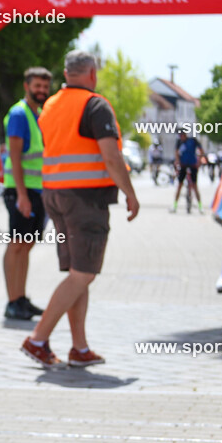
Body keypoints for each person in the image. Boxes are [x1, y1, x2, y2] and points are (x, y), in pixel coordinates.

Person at [21, 50, 139, 368]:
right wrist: (130, 192)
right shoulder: (95, 104)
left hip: (54, 195)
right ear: (92, 73)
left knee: (77, 274)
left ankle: (79, 348)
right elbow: (111, 157)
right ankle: (37, 340)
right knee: (83, 273)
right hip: (86, 199)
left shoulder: (51, 105)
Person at [1, 67, 52, 321]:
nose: (41, 91)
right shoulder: (20, 114)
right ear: (27, 86)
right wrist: (21, 195)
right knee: (17, 244)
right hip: (20, 190)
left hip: (37, 190)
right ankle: (12, 301)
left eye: (45, 87)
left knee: (26, 245)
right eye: (37, 86)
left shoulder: (39, 114)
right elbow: (15, 156)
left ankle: (20, 298)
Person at [171, 128, 204, 213]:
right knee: (179, 185)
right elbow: (176, 152)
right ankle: (174, 205)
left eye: (182, 135)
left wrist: (199, 160)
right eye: (180, 135)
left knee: (194, 186)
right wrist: (177, 161)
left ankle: (200, 206)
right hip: (183, 165)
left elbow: (201, 150)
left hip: (193, 165)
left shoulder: (193, 140)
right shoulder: (179, 142)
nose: (181, 137)